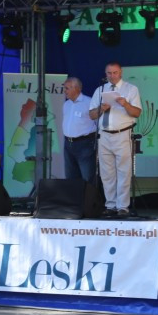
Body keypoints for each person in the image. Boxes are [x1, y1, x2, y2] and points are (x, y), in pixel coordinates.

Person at [89, 62, 141, 216]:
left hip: (123, 133)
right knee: (107, 173)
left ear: (121, 72)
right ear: (105, 74)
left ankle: (123, 206)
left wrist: (125, 104)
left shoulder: (130, 89)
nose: (112, 76)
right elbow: (91, 115)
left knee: (124, 171)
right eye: (109, 73)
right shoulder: (100, 90)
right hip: (104, 134)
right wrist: (100, 109)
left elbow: (137, 113)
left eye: (115, 72)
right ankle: (110, 205)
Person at [62, 77, 97, 183]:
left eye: (67, 88)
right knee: (71, 176)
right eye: (64, 88)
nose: (64, 91)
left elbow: (98, 123)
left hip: (85, 144)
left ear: (76, 89)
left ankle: (89, 199)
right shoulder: (66, 104)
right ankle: (74, 199)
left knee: (87, 177)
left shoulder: (89, 102)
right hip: (68, 144)